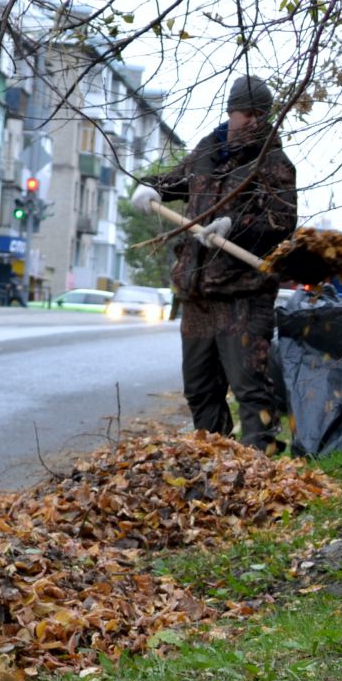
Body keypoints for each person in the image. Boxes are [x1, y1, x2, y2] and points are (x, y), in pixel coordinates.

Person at [130, 74, 296, 453]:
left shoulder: (273, 161)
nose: (253, 121)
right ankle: (215, 460)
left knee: (250, 386)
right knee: (200, 389)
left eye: (260, 114)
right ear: (231, 111)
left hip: (243, 294)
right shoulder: (208, 150)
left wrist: (232, 226)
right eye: (246, 113)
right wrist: (152, 185)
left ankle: (259, 467)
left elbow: (282, 222)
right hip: (198, 294)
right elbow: (178, 179)